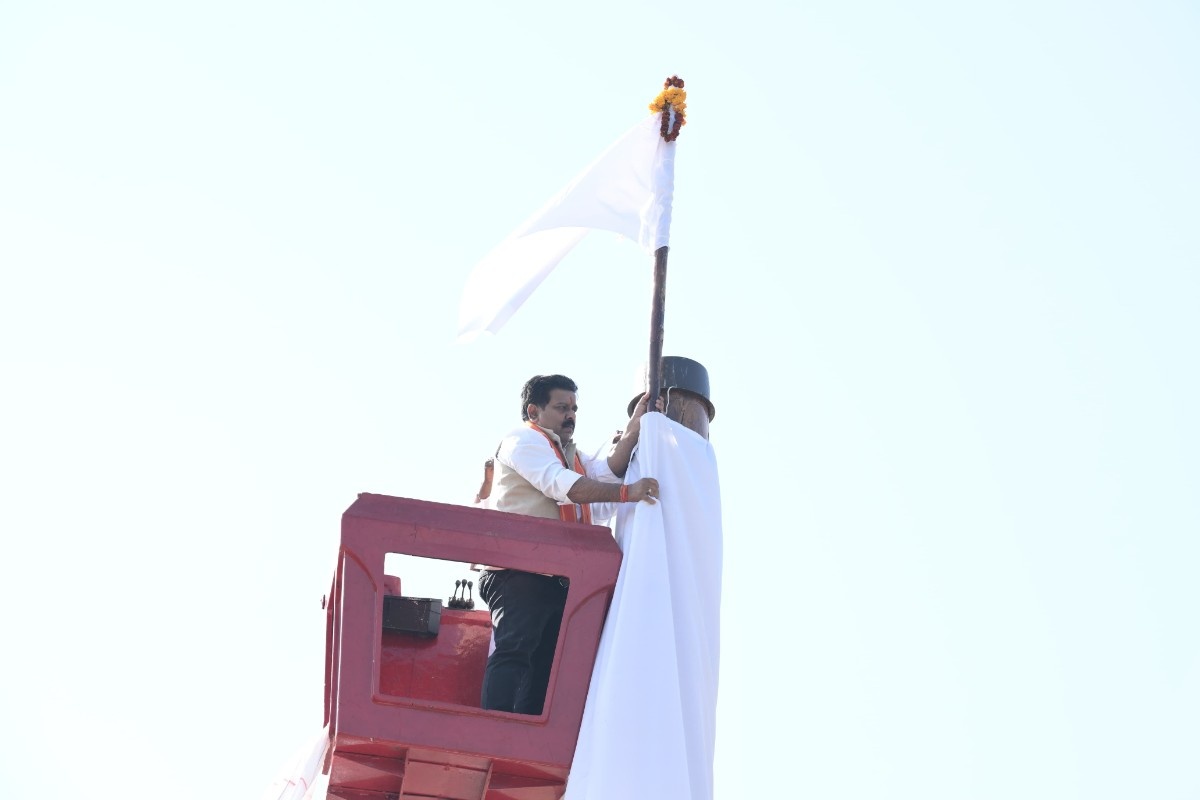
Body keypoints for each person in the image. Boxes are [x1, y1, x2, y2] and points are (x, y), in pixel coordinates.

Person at [478, 373, 660, 715]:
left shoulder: (568, 453)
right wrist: (627, 493)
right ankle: (494, 727)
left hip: (554, 577)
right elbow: (564, 486)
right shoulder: (522, 440)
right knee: (515, 651)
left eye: (574, 409)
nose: (571, 415)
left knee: (546, 669)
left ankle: (524, 736)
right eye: (562, 408)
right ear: (534, 412)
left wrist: (636, 425)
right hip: (517, 572)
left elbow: (607, 472)